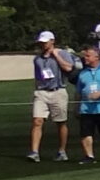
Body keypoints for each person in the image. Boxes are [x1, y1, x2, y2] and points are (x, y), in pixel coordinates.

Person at [27, 30, 73, 162]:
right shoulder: (38, 59)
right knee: (37, 121)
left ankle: (62, 151)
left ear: (52, 41)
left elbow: (68, 68)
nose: (43, 45)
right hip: (42, 92)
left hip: (58, 90)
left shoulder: (62, 53)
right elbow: (39, 76)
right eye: (41, 42)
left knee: (60, 122)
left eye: (45, 42)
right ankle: (34, 151)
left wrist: (56, 55)